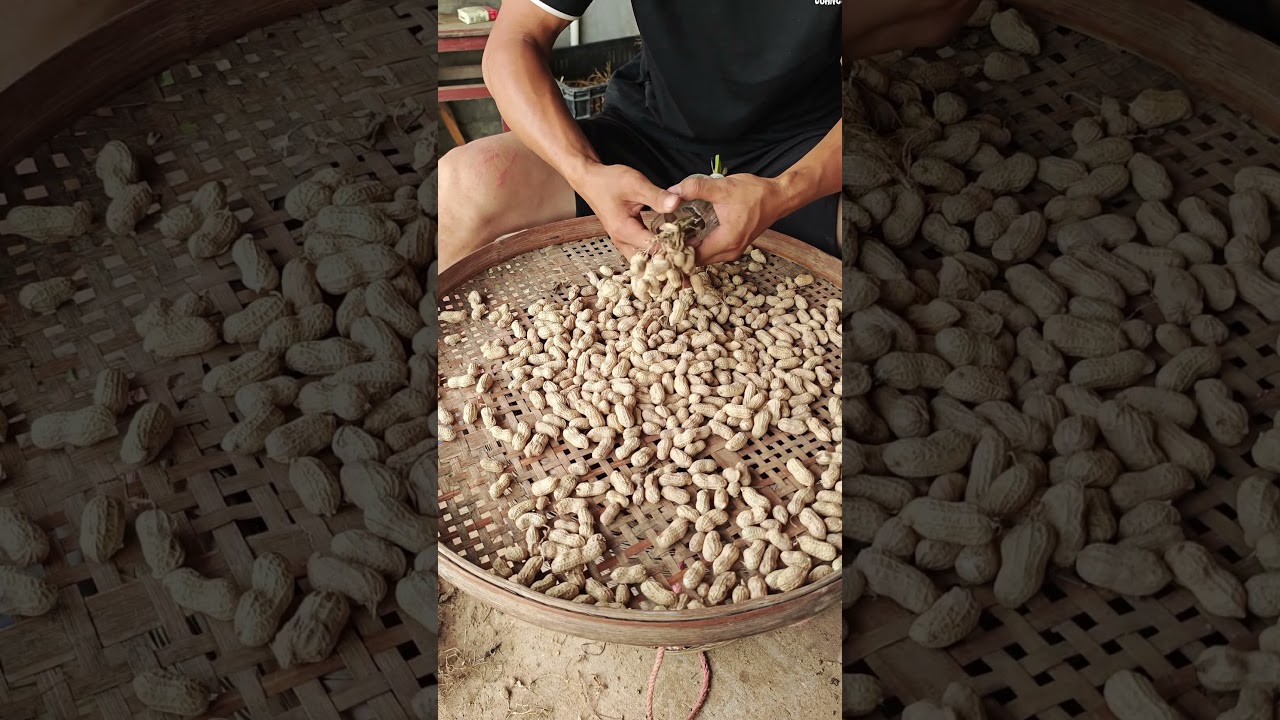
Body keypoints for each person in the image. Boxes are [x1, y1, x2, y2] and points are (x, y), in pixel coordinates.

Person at [438, 0, 979, 271]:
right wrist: (587, 173)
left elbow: (942, 19)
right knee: (467, 183)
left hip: (799, 150)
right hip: (649, 130)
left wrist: (786, 190)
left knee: (903, 243)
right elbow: (515, 38)